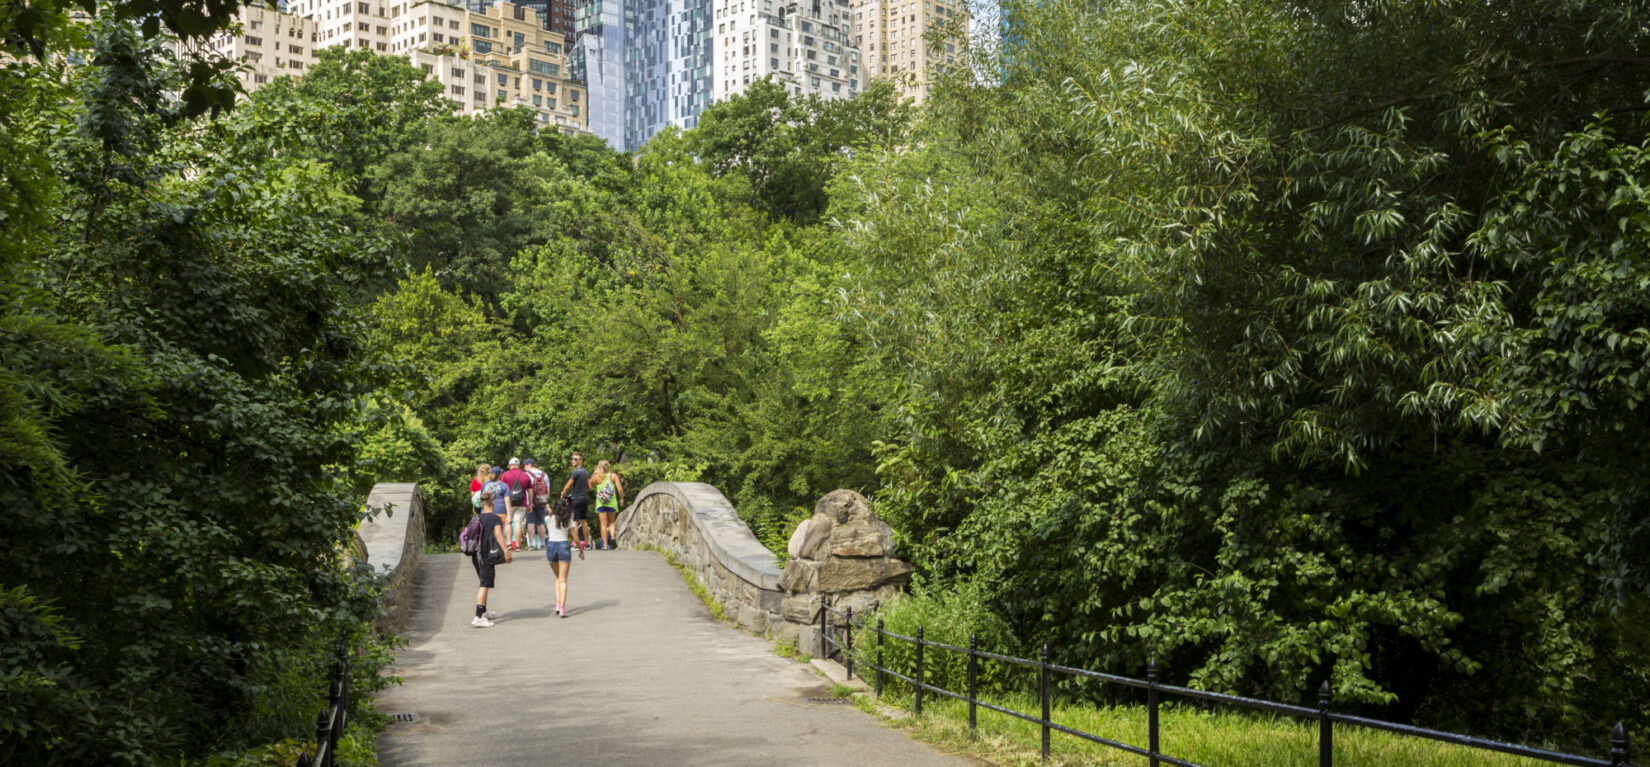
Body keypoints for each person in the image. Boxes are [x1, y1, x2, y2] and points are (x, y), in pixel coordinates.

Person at [471, 491, 513, 627]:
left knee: (485, 583)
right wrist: (506, 550)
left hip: (476, 555)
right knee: (484, 584)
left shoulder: (477, 518)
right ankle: (477, 617)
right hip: (486, 556)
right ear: (492, 502)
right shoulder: (494, 519)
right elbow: (498, 534)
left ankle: (483, 612)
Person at [544, 493, 583, 617]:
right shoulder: (569, 520)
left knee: (557, 578)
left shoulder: (548, 519)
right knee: (563, 580)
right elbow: (576, 538)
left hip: (551, 547)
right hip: (563, 546)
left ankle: (557, 603)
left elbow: (551, 514)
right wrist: (581, 550)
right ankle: (562, 608)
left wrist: (548, 507)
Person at [499, 457, 535, 552]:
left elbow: (501, 490)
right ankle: (518, 546)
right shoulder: (525, 475)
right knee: (518, 523)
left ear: (510, 465)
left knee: (508, 522)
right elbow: (530, 491)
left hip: (508, 504)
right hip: (521, 504)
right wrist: (530, 504)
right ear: (519, 466)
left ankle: (509, 544)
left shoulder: (505, 475)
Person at [560, 452, 593, 551]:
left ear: (580, 461)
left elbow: (567, 486)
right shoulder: (585, 472)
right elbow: (589, 486)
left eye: (575, 459)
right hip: (584, 498)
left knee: (574, 521)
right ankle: (587, 544)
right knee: (583, 520)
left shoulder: (576, 472)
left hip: (576, 499)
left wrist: (563, 494)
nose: (573, 461)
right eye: (572, 459)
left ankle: (575, 543)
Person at [589, 459, 625, 551]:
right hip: (611, 503)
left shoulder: (596, 477)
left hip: (601, 504)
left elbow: (589, 486)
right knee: (612, 523)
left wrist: (593, 474)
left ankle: (605, 545)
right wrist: (621, 498)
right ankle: (612, 538)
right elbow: (620, 489)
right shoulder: (613, 476)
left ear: (598, 467)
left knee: (603, 524)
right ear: (608, 467)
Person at [523, 458, 551, 550]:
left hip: (529, 502)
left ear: (528, 465)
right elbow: (548, 489)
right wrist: (545, 501)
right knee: (540, 523)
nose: (524, 468)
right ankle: (543, 544)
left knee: (530, 523)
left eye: (524, 466)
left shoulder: (526, 475)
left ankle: (531, 545)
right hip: (542, 501)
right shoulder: (544, 474)